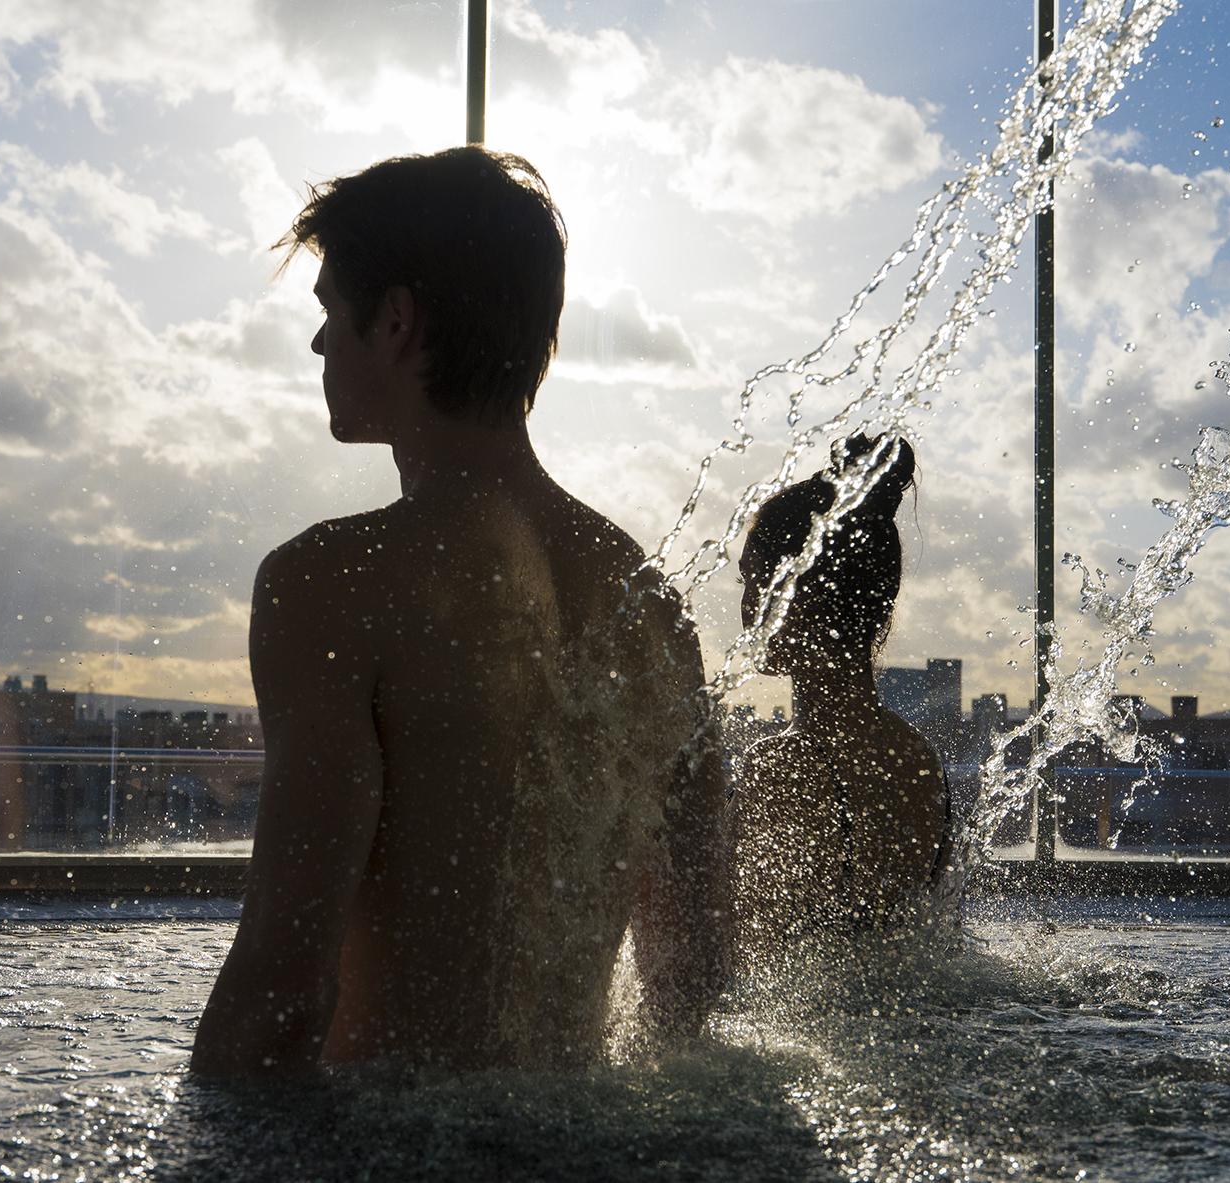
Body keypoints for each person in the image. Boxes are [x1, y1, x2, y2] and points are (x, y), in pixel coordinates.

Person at [190, 148, 727, 1077]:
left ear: (395, 320)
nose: (320, 347)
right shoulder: (652, 604)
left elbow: (282, 994)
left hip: (392, 1146)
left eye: (329, 316)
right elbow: (693, 988)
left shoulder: (331, 583)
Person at [731, 435, 949, 953]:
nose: (744, 607)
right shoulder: (918, 761)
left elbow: (740, 957)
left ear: (795, 593)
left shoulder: (782, 766)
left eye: (753, 581)